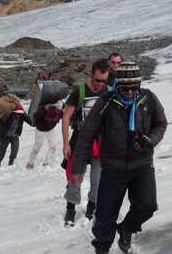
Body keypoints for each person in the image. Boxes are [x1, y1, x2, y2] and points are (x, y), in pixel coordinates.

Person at [71, 61, 168, 254]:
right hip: (113, 167)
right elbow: (86, 136)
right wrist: (77, 169)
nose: (130, 92)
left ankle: (127, 228)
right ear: (118, 86)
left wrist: (150, 140)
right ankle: (102, 248)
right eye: (125, 88)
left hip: (141, 164)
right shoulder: (106, 102)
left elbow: (161, 124)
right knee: (105, 215)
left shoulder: (148, 99)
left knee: (147, 205)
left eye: (134, 88)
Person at [61, 59, 111, 227]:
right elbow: (66, 116)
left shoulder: (109, 92)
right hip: (80, 140)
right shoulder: (80, 91)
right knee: (75, 176)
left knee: (99, 178)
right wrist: (66, 143)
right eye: (98, 80)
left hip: (101, 142)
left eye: (104, 80)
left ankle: (92, 207)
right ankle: (70, 208)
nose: (100, 84)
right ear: (91, 73)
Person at [0, 95, 33, 168]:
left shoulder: (22, 116)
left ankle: (10, 163)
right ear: (14, 112)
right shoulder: (8, 115)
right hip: (6, 135)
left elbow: (31, 123)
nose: (18, 116)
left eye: (20, 114)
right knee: (2, 149)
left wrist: (27, 116)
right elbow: (2, 122)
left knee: (15, 150)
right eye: (17, 114)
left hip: (15, 135)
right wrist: (7, 115)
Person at [27, 100, 64, 169]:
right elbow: (35, 116)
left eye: (60, 110)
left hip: (51, 129)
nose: (58, 111)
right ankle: (30, 163)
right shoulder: (47, 108)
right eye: (57, 109)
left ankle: (46, 162)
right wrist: (44, 110)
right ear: (54, 107)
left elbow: (66, 117)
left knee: (53, 146)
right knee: (36, 148)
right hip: (41, 130)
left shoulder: (60, 113)